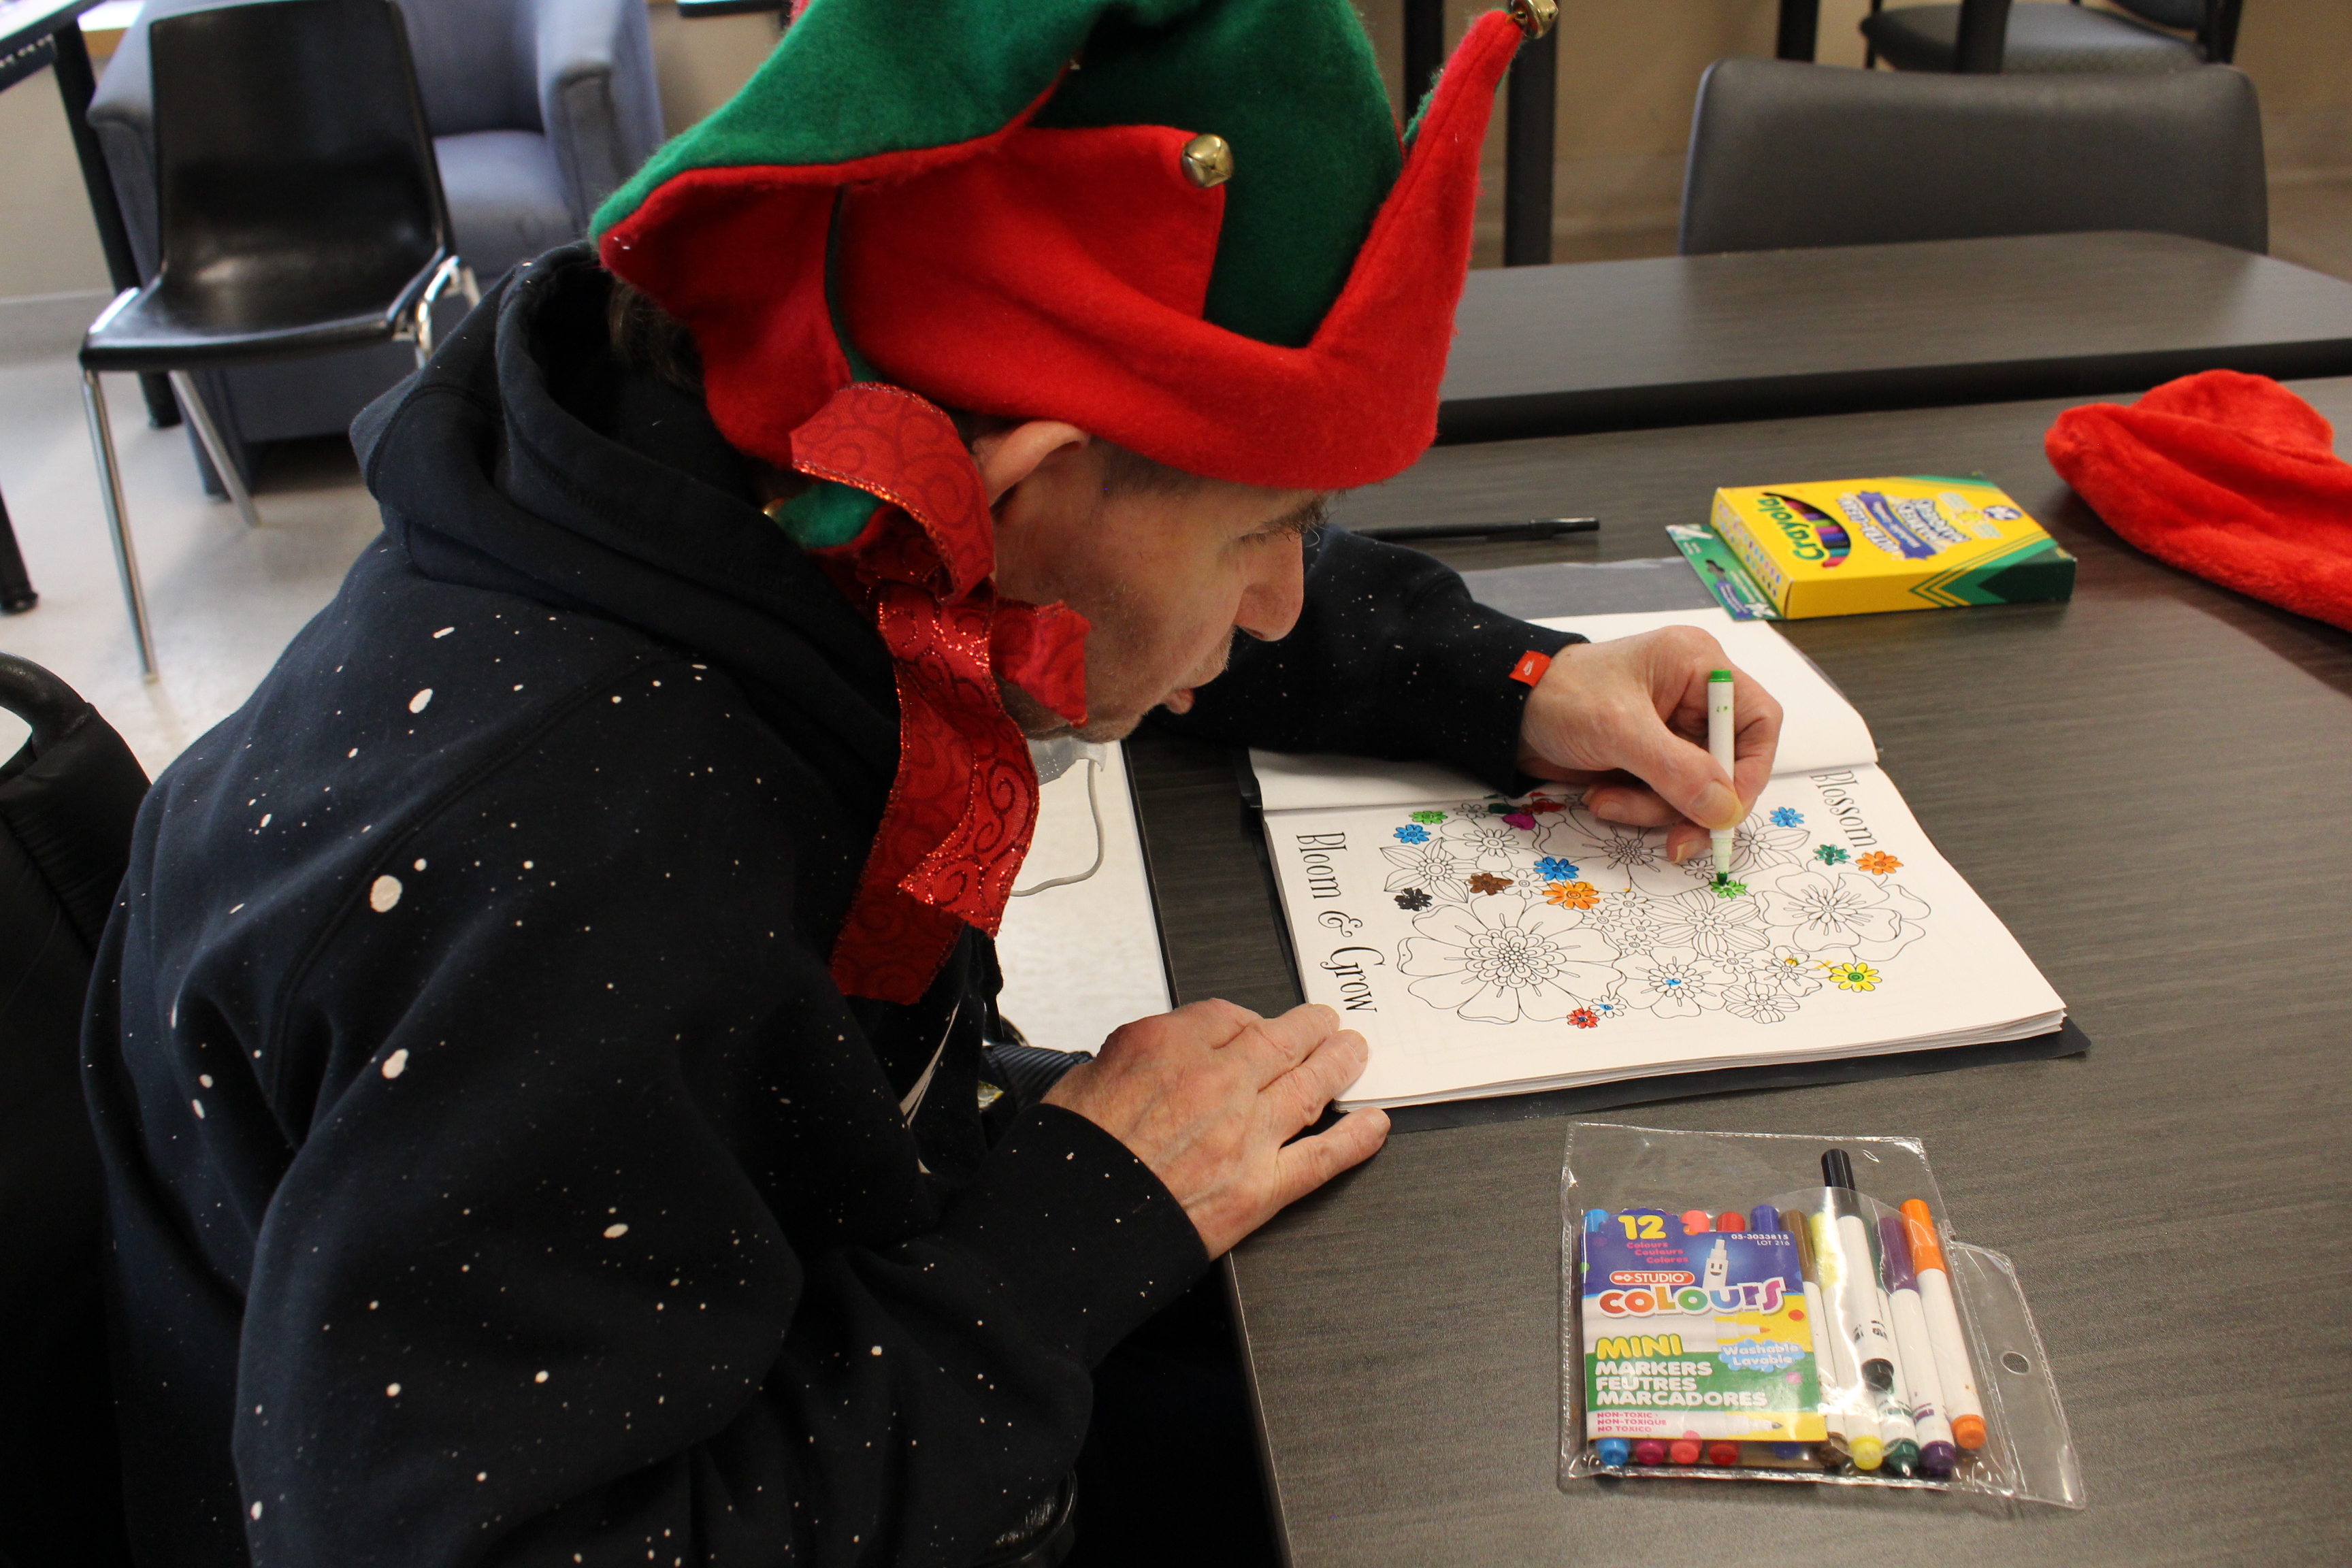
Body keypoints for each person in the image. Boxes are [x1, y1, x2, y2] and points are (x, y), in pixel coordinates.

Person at [82, 3, 1781, 1565]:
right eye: (1273, 531)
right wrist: (1061, 1243)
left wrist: (1518, 684)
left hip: (779, 1255)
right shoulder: (587, 877)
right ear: (1017, 487)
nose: (1281, 596)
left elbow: (1125, 587)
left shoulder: (768, 477)